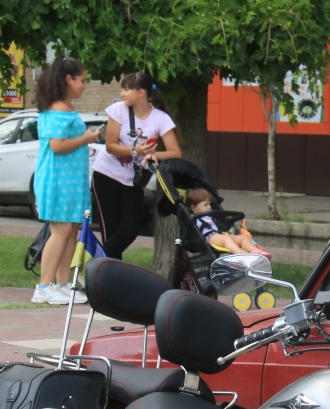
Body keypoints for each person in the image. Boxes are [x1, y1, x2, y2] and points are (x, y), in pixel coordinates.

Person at [31, 56, 102, 305]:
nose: (84, 86)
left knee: (70, 231)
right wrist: (86, 139)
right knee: (61, 231)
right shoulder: (59, 109)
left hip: (69, 181)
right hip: (57, 181)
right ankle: (44, 287)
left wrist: (82, 146)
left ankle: (63, 285)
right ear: (68, 79)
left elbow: (64, 144)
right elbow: (57, 146)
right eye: (82, 80)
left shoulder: (64, 108)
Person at [91, 72, 181, 259]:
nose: (122, 94)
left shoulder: (160, 118)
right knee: (110, 231)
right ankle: (107, 273)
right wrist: (135, 151)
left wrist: (153, 154)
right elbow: (110, 146)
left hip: (134, 181)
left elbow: (175, 152)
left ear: (141, 92)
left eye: (127, 89)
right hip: (106, 175)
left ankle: (96, 263)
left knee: (130, 230)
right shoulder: (118, 110)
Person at [187, 188, 272, 257]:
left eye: (209, 204)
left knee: (243, 237)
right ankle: (240, 255)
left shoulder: (210, 216)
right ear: (194, 208)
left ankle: (257, 252)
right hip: (209, 238)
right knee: (227, 238)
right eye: (205, 205)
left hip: (219, 236)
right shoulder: (194, 218)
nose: (209, 207)